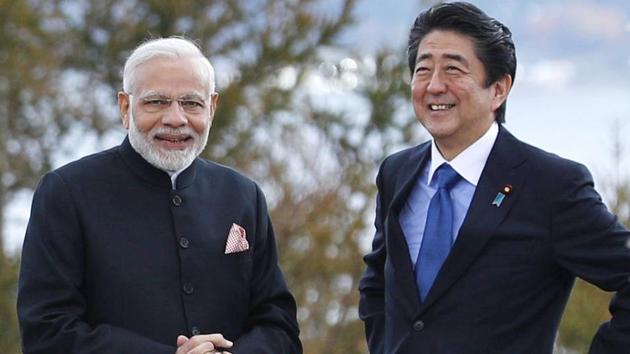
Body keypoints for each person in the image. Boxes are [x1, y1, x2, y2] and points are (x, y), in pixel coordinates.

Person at [358, 2, 630, 353]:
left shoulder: (551, 186)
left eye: (453, 70)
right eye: (423, 69)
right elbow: (378, 282)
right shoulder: (397, 173)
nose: (435, 85)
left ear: (499, 89)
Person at [17, 37, 302, 354]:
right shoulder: (66, 193)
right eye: (157, 102)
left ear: (212, 107)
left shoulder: (243, 195)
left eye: (191, 103)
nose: (176, 119)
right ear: (125, 107)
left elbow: (280, 327)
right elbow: (48, 331)